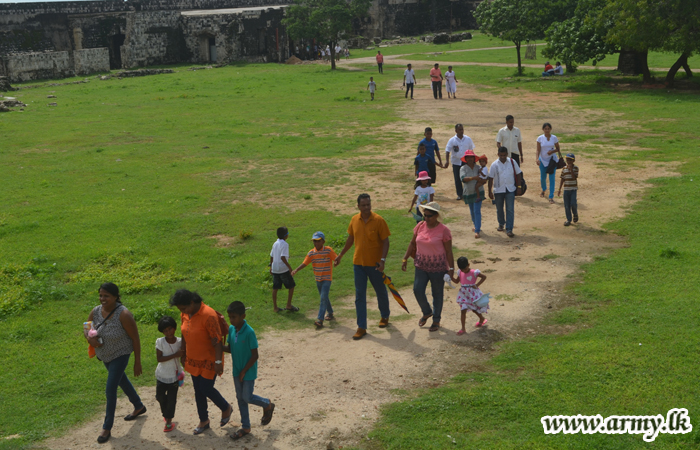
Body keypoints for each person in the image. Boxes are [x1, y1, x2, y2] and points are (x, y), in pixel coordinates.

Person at [85, 282, 145, 444]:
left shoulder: (123, 314)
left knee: (110, 389)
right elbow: (86, 326)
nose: (102, 299)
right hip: (105, 355)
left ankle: (107, 427)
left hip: (121, 354)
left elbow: (135, 338)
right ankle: (138, 406)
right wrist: (89, 338)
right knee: (121, 380)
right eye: (101, 295)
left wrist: (137, 361)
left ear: (116, 297)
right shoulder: (96, 311)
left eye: (106, 296)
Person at [170, 289, 232, 435]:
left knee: (205, 388)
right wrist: (183, 352)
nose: (183, 311)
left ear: (192, 302)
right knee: (198, 390)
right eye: (181, 309)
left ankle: (225, 407)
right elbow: (184, 332)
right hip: (193, 358)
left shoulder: (208, 315)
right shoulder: (185, 313)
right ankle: (204, 420)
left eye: (184, 308)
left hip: (209, 359)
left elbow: (216, 340)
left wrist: (218, 361)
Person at [335, 193, 391, 340]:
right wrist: (340, 255)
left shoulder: (379, 220)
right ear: (358, 206)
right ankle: (361, 327)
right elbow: (350, 239)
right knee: (360, 296)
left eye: (368, 204)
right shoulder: (354, 220)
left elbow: (386, 242)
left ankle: (384, 315)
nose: (366, 207)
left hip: (375, 265)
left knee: (380, 291)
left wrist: (383, 260)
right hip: (358, 264)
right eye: (363, 205)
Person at [224, 301, 275, 440]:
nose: (231, 320)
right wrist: (218, 346)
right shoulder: (231, 329)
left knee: (247, 397)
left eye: (234, 317)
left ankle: (267, 404)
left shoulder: (249, 332)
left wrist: (244, 371)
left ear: (243, 316)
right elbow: (230, 348)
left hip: (248, 371)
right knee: (240, 399)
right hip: (236, 370)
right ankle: (245, 426)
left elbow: (255, 355)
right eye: (230, 317)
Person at [401, 202, 454, 332]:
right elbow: (412, 243)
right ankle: (427, 311)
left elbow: (449, 251)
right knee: (417, 290)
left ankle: (436, 320)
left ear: (436, 216)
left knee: (437, 294)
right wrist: (405, 258)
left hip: (438, 268)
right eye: (425, 215)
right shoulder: (419, 226)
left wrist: (451, 269)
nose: (426, 218)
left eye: (429, 216)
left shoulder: (444, 230)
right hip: (421, 265)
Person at [291, 231, 338, 328]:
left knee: (323, 297)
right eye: (314, 241)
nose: (316, 243)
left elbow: (336, 258)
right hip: (318, 279)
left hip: (327, 278)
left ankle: (320, 320)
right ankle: (330, 312)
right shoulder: (311, 253)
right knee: (324, 297)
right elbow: (305, 263)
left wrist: (336, 262)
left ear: (323, 241)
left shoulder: (328, 250)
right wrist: (296, 270)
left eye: (318, 241)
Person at [487, 146, 523, 238]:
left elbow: (518, 174)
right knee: (499, 208)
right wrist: (489, 191)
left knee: (510, 209)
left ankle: (509, 228)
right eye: (501, 155)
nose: (502, 157)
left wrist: (519, 187)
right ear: (498, 154)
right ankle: (501, 223)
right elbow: (490, 178)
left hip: (510, 189)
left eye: (504, 155)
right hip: (498, 190)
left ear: (507, 154)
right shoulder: (494, 164)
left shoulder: (512, 162)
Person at [155, 316, 182, 433]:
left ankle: (169, 421)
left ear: (174, 328)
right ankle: (166, 413)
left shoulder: (180, 342)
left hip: (175, 377)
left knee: (172, 400)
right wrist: (176, 354)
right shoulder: (160, 341)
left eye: (170, 329)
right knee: (159, 397)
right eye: (165, 331)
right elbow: (159, 358)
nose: (168, 332)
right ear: (162, 332)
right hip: (161, 375)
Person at [450, 257, 488, 333]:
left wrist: (477, 285)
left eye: (465, 268)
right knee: (463, 310)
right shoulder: (460, 272)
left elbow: (484, 277)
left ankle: (482, 318)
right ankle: (463, 328)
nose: (464, 271)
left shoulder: (474, 272)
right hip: (463, 294)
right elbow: (457, 281)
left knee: (474, 309)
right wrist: (450, 278)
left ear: (468, 265)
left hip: (472, 294)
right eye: (462, 269)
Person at [270, 226, 298, 312]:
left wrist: (271, 267)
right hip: (283, 269)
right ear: (286, 235)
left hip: (275, 268)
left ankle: (275, 308)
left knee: (275, 288)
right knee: (291, 286)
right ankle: (288, 305)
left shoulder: (275, 243)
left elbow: (271, 256)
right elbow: (283, 257)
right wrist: (290, 268)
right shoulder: (285, 244)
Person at [444, 123, 475, 200]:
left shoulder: (468, 139)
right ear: (456, 131)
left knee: (466, 177)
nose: (461, 131)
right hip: (456, 162)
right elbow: (447, 151)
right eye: (459, 130)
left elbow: (471, 150)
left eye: (462, 129)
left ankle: (467, 193)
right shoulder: (452, 140)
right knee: (457, 178)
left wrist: (473, 160)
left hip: (466, 161)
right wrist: (447, 161)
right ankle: (460, 194)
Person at [460, 150, 486, 239]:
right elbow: (463, 179)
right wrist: (474, 178)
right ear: (466, 159)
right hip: (468, 192)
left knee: (476, 211)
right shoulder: (463, 168)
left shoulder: (478, 167)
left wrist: (481, 181)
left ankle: (477, 230)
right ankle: (476, 225)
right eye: (468, 157)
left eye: (471, 157)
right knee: (472, 211)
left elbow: (485, 177)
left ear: (474, 158)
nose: (470, 159)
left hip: (478, 191)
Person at [536, 122, 562, 204]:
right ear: (543, 129)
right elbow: (538, 150)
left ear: (550, 129)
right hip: (543, 160)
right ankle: (544, 189)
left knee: (552, 179)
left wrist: (552, 151)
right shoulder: (540, 138)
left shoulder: (554, 138)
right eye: (545, 129)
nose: (547, 130)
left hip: (552, 161)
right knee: (542, 178)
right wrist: (537, 159)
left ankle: (551, 196)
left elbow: (558, 148)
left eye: (548, 129)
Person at [558, 153, 579, 226]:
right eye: (567, 160)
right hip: (566, 189)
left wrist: (571, 170)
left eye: (570, 160)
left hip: (573, 189)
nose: (568, 162)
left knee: (573, 203)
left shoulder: (576, 168)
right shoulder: (564, 168)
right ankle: (568, 219)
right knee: (566, 205)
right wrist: (559, 189)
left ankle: (575, 213)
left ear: (573, 161)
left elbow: (574, 177)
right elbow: (562, 179)